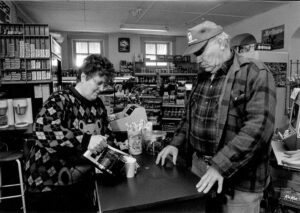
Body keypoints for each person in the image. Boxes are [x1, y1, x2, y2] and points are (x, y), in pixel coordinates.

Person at [156, 21, 276, 213]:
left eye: (201, 51)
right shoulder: (202, 76)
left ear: (222, 43)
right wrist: (174, 143)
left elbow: (258, 130)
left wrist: (219, 166)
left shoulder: (255, 72)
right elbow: (189, 117)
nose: (198, 60)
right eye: (195, 54)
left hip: (240, 181)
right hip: (200, 170)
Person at [24, 54, 115, 211]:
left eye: (104, 84)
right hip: (48, 186)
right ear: (84, 77)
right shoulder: (60, 99)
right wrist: (86, 140)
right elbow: (42, 129)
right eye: (98, 83)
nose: (101, 89)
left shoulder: (98, 104)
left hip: (81, 185)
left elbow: (106, 133)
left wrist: (117, 154)